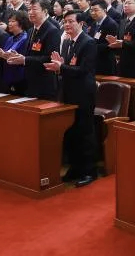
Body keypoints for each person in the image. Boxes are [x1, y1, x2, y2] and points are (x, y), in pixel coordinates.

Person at [45, 11, 98, 187]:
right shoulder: (67, 42)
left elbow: (84, 71)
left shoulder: (88, 42)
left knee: (85, 133)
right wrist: (60, 67)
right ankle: (75, 168)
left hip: (83, 94)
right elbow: (68, 67)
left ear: (81, 23)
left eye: (70, 22)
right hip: (68, 92)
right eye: (65, 22)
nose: (67, 25)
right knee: (71, 132)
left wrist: (62, 67)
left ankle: (89, 171)